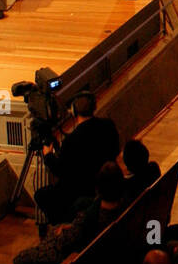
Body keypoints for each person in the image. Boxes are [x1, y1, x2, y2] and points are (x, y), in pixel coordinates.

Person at [33, 91, 120, 225]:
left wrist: (48, 155)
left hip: (80, 190)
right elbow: (116, 150)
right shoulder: (109, 125)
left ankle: (63, 224)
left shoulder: (72, 140)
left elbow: (60, 171)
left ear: (73, 111)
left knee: (41, 195)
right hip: (105, 183)